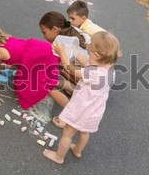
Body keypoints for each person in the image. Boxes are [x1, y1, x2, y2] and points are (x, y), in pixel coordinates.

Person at [43, 31, 122, 164]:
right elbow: (89, 64)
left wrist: (62, 52)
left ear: (97, 55)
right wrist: (76, 52)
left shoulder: (94, 73)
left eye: (90, 53)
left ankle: (58, 157)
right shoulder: (109, 70)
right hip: (94, 111)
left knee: (68, 133)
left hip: (81, 109)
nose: (88, 55)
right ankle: (77, 150)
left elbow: (71, 69)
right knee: (84, 132)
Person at [39, 11, 90, 89]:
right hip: (95, 70)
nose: (43, 36)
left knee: (58, 67)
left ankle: (75, 89)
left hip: (89, 79)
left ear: (55, 29)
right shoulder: (72, 29)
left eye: (44, 32)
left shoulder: (61, 43)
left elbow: (69, 67)